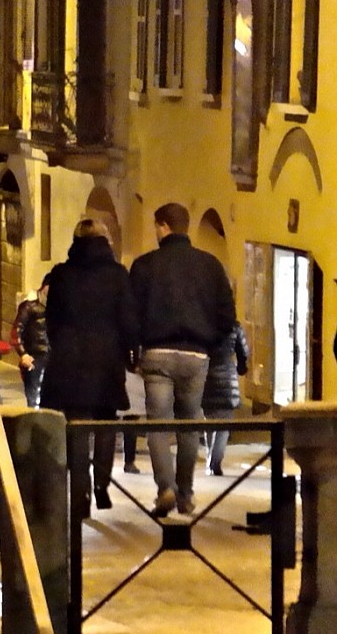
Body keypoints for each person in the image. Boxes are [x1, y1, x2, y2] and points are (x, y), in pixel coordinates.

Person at [127, 202, 238, 516]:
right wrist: (211, 346)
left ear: (163, 226)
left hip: (157, 353)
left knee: (159, 425)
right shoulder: (210, 265)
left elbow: (131, 314)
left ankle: (165, 488)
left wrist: (134, 351)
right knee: (189, 425)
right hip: (195, 355)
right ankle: (186, 494)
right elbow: (227, 316)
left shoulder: (145, 265)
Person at [41, 221, 137, 514]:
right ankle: (102, 486)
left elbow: (52, 319)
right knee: (106, 424)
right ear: (105, 241)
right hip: (106, 359)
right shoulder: (118, 275)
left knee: (78, 426)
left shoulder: (61, 274)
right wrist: (130, 352)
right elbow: (128, 319)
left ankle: (80, 490)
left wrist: (61, 345)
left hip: (68, 360)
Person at [205, 317, 250, 477]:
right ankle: (215, 462)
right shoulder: (234, 326)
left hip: (207, 376)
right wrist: (241, 368)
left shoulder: (205, 322)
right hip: (227, 378)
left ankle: (210, 459)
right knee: (223, 424)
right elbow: (243, 354)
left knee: (209, 421)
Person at [13, 288, 50, 407]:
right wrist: (23, 354)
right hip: (34, 357)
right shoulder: (28, 306)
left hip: (53, 357)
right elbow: (16, 332)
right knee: (34, 398)